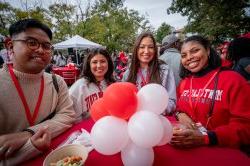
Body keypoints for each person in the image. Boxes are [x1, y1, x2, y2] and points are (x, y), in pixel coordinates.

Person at [0, 19, 76, 165]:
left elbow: (67, 115)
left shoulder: (57, 81)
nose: (41, 50)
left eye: (46, 46)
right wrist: (31, 146)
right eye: (32, 43)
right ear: (10, 46)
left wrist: (28, 134)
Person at [171, 35, 250, 149]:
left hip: (224, 153)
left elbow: (246, 127)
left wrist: (208, 137)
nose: (189, 57)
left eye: (195, 51)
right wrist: (180, 114)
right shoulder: (184, 83)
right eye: (184, 55)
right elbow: (177, 108)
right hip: (190, 152)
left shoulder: (233, 80)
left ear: (207, 50)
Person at [122, 32, 176, 114]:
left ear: (155, 50)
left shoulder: (164, 70)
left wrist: (156, 110)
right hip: (135, 121)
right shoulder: (128, 73)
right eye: (142, 47)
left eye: (150, 47)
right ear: (136, 49)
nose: (146, 51)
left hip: (157, 120)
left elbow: (172, 101)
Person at [69, 48, 115, 122]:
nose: (99, 65)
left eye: (103, 61)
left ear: (108, 63)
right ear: (88, 65)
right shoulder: (79, 87)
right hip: (87, 130)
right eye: (94, 62)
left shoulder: (113, 84)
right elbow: (74, 118)